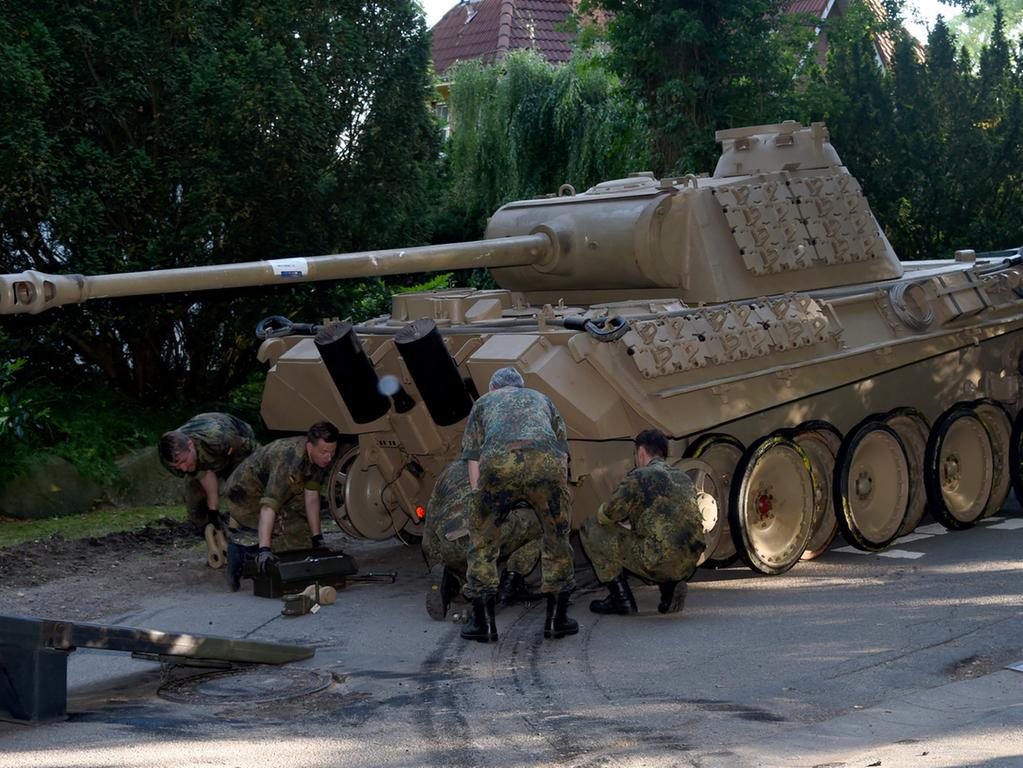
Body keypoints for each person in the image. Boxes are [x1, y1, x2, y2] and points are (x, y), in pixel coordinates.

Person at [460, 366, 577, 643]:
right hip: (546, 464)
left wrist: (481, 501)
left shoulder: (483, 403)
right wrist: (558, 496)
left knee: (483, 542)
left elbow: (473, 456)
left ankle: (485, 624)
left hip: (499, 463)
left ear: (493, 390)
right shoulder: (542, 399)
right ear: (520, 388)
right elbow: (562, 452)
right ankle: (556, 620)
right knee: (556, 538)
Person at [580, 428, 705, 616]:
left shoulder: (640, 476)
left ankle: (620, 598)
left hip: (657, 560)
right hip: (689, 561)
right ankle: (670, 586)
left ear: (640, 452)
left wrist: (605, 519)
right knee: (662, 541)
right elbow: (669, 520)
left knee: (590, 527)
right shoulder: (683, 477)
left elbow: (610, 513)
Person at [222, 421, 339, 591]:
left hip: (272, 492)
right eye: (324, 452)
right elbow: (268, 506)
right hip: (243, 496)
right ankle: (243, 555)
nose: (328, 458)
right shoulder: (290, 461)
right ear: (310, 446)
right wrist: (264, 549)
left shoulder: (318, 458)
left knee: (302, 543)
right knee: (285, 537)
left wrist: (316, 539)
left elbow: (311, 496)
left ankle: (270, 547)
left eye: (332, 452)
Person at [422, 459, 541, 620]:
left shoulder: (450, 469)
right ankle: (512, 580)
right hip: (478, 541)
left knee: (464, 588)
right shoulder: (503, 466)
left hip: (447, 544)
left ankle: (451, 582)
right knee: (543, 521)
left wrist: (436, 562)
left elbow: (431, 520)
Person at [158, 412, 259, 565]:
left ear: (191, 445)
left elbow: (254, 452)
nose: (183, 468)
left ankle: (249, 543)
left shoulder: (219, 437)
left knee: (241, 493)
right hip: (205, 455)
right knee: (195, 505)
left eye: (184, 461)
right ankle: (216, 545)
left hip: (237, 445)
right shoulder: (170, 458)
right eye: (177, 465)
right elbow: (204, 474)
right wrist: (212, 513)